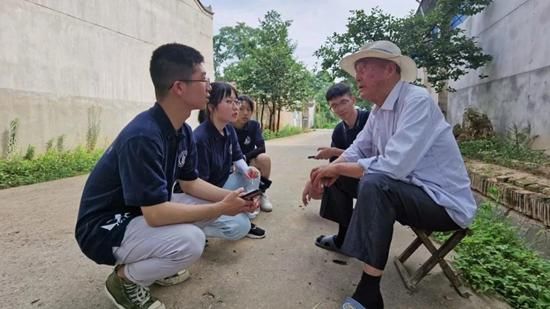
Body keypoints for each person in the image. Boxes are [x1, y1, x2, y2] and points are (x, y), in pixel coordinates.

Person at [75, 43, 259, 309]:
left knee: (209, 211)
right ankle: (124, 281)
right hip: (106, 227)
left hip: (138, 211)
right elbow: (156, 214)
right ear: (179, 87)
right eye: (203, 78)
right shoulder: (144, 136)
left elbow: (190, 183)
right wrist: (221, 207)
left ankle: (158, 263)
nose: (209, 86)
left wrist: (233, 197)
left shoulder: (181, 131)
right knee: (192, 241)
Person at [307, 40, 477, 309]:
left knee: (374, 181)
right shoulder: (378, 111)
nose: (357, 75)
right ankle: (343, 240)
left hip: (442, 203)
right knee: (343, 171)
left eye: (363, 67)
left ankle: (369, 294)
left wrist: (336, 167)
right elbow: (357, 149)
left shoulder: (417, 101)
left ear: (389, 69)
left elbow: (393, 166)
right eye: (356, 69)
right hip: (409, 191)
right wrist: (324, 172)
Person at [193, 81, 267, 239]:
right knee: (242, 227)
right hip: (203, 196)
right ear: (211, 107)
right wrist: (233, 201)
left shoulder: (228, 129)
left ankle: (242, 213)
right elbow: (199, 187)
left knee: (254, 174)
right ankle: (197, 229)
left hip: (222, 183)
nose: (236, 107)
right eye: (228, 101)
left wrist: (247, 170)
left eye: (236, 101)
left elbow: (237, 157)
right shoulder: (200, 138)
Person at [301, 82, 369, 254]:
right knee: (333, 177)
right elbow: (335, 164)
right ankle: (346, 235)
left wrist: (334, 151)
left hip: (375, 177)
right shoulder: (339, 130)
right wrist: (313, 180)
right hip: (358, 178)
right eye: (334, 105)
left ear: (353, 100)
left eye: (343, 102)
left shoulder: (370, 120)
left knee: (337, 177)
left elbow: (377, 156)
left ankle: (345, 238)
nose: (339, 108)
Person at [232, 95, 273, 212]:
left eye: (248, 110)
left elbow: (262, 147)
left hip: (247, 160)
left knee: (264, 158)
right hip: (232, 164)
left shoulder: (254, 126)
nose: (245, 113)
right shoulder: (228, 126)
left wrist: (245, 157)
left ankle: (261, 193)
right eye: (241, 109)